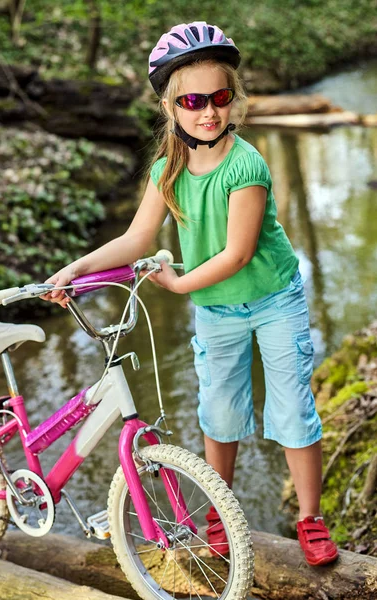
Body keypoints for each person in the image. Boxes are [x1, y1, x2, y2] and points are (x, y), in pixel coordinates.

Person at [42, 21, 339, 567]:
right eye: (193, 100)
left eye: (220, 98)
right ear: (171, 107)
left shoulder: (244, 164)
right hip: (217, 309)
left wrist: (177, 283)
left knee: (294, 409)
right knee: (219, 413)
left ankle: (310, 516)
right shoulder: (167, 169)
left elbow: (237, 254)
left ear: (235, 101)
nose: (208, 111)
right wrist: (75, 267)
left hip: (273, 299)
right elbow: (137, 239)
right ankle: (219, 512)